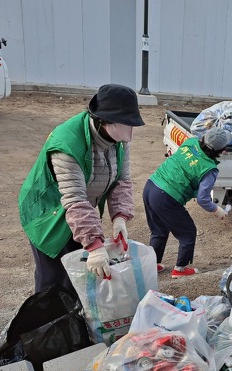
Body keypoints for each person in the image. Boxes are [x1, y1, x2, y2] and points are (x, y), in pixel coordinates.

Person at [19, 84, 145, 293]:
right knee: (54, 276)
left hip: (78, 209)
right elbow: (75, 199)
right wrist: (95, 247)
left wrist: (120, 217)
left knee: (80, 272)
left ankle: (76, 319)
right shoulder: (67, 144)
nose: (129, 133)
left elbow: (122, 180)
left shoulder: (119, 140)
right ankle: (48, 322)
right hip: (46, 211)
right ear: (104, 120)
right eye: (125, 124)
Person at [143, 126, 232, 278]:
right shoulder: (209, 169)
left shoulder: (191, 142)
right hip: (167, 197)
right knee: (188, 232)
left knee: (159, 230)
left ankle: (153, 264)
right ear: (222, 150)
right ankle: (180, 269)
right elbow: (203, 199)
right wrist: (217, 210)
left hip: (151, 186)